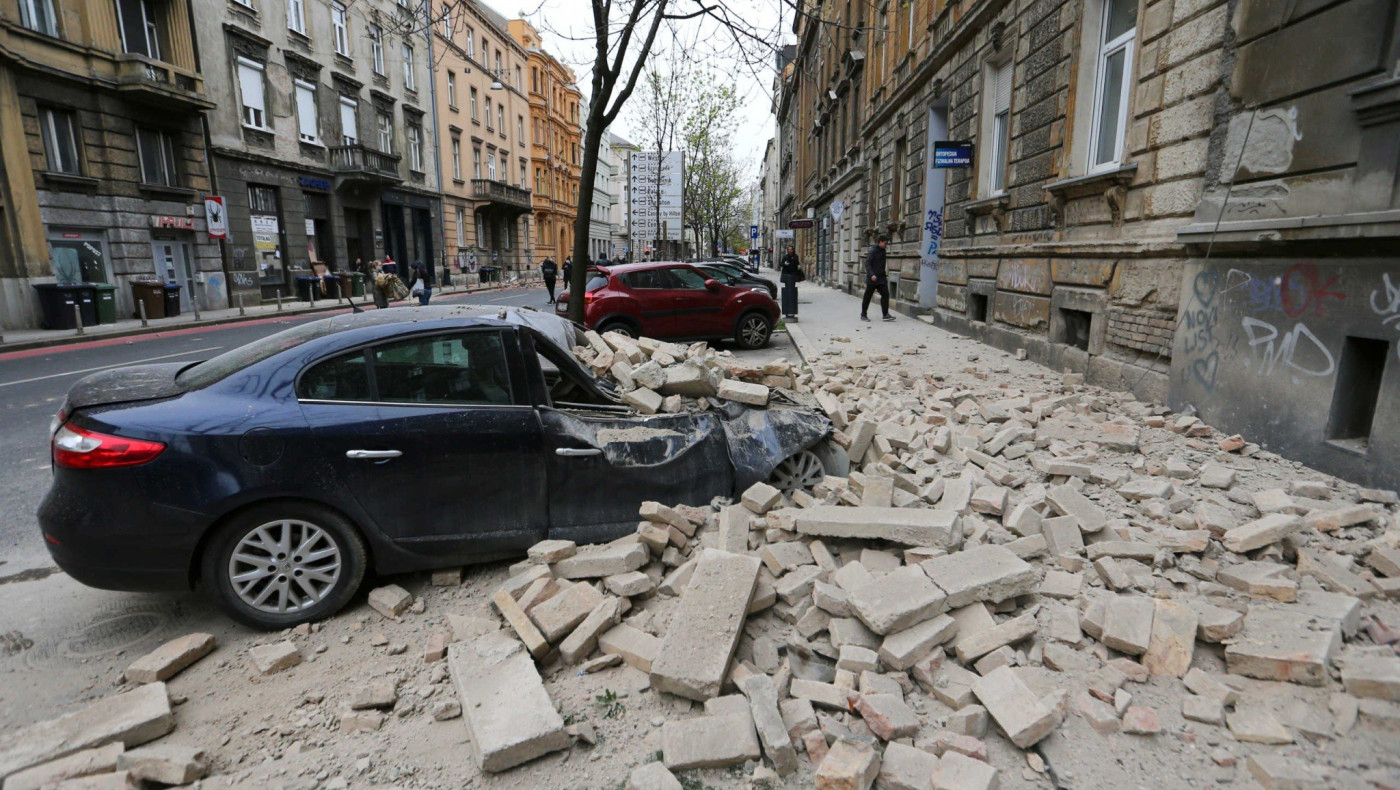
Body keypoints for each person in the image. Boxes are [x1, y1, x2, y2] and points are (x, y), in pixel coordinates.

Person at [861, 235, 895, 322]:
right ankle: (863, 315)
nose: (886, 245)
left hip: (881, 279)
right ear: (880, 241)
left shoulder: (883, 251)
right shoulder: (873, 251)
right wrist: (872, 274)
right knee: (867, 296)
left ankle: (885, 315)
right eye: (885, 243)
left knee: (885, 294)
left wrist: (884, 275)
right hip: (872, 279)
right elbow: (867, 264)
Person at [779, 245, 802, 319]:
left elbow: (797, 263)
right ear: (787, 250)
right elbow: (781, 264)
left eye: (791, 249)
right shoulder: (785, 257)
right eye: (788, 249)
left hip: (793, 276)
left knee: (792, 291)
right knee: (787, 291)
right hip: (787, 276)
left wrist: (798, 266)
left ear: (793, 250)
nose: (790, 250)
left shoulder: (796, 256)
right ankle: (788, 311)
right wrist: (784, 264)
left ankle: (791, 311)